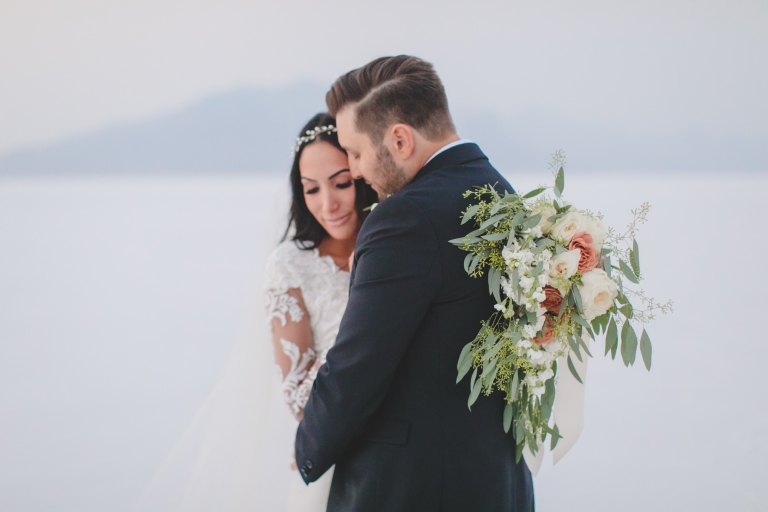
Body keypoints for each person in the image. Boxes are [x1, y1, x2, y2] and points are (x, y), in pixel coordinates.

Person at [295, 56, 535, 511]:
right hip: (497, 481)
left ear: (400, 139)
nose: (357, 170)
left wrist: (307, 448)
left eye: (357, 152)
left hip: (410, 489)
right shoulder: (503, 194)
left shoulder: (403, 219)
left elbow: (357, 367)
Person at [264, 112, 375, 511]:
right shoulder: (290, 264)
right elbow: (297, 396)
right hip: (331, 458)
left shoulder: (394, 250)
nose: (328, 204)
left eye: (341, 183)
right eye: (311, 190)